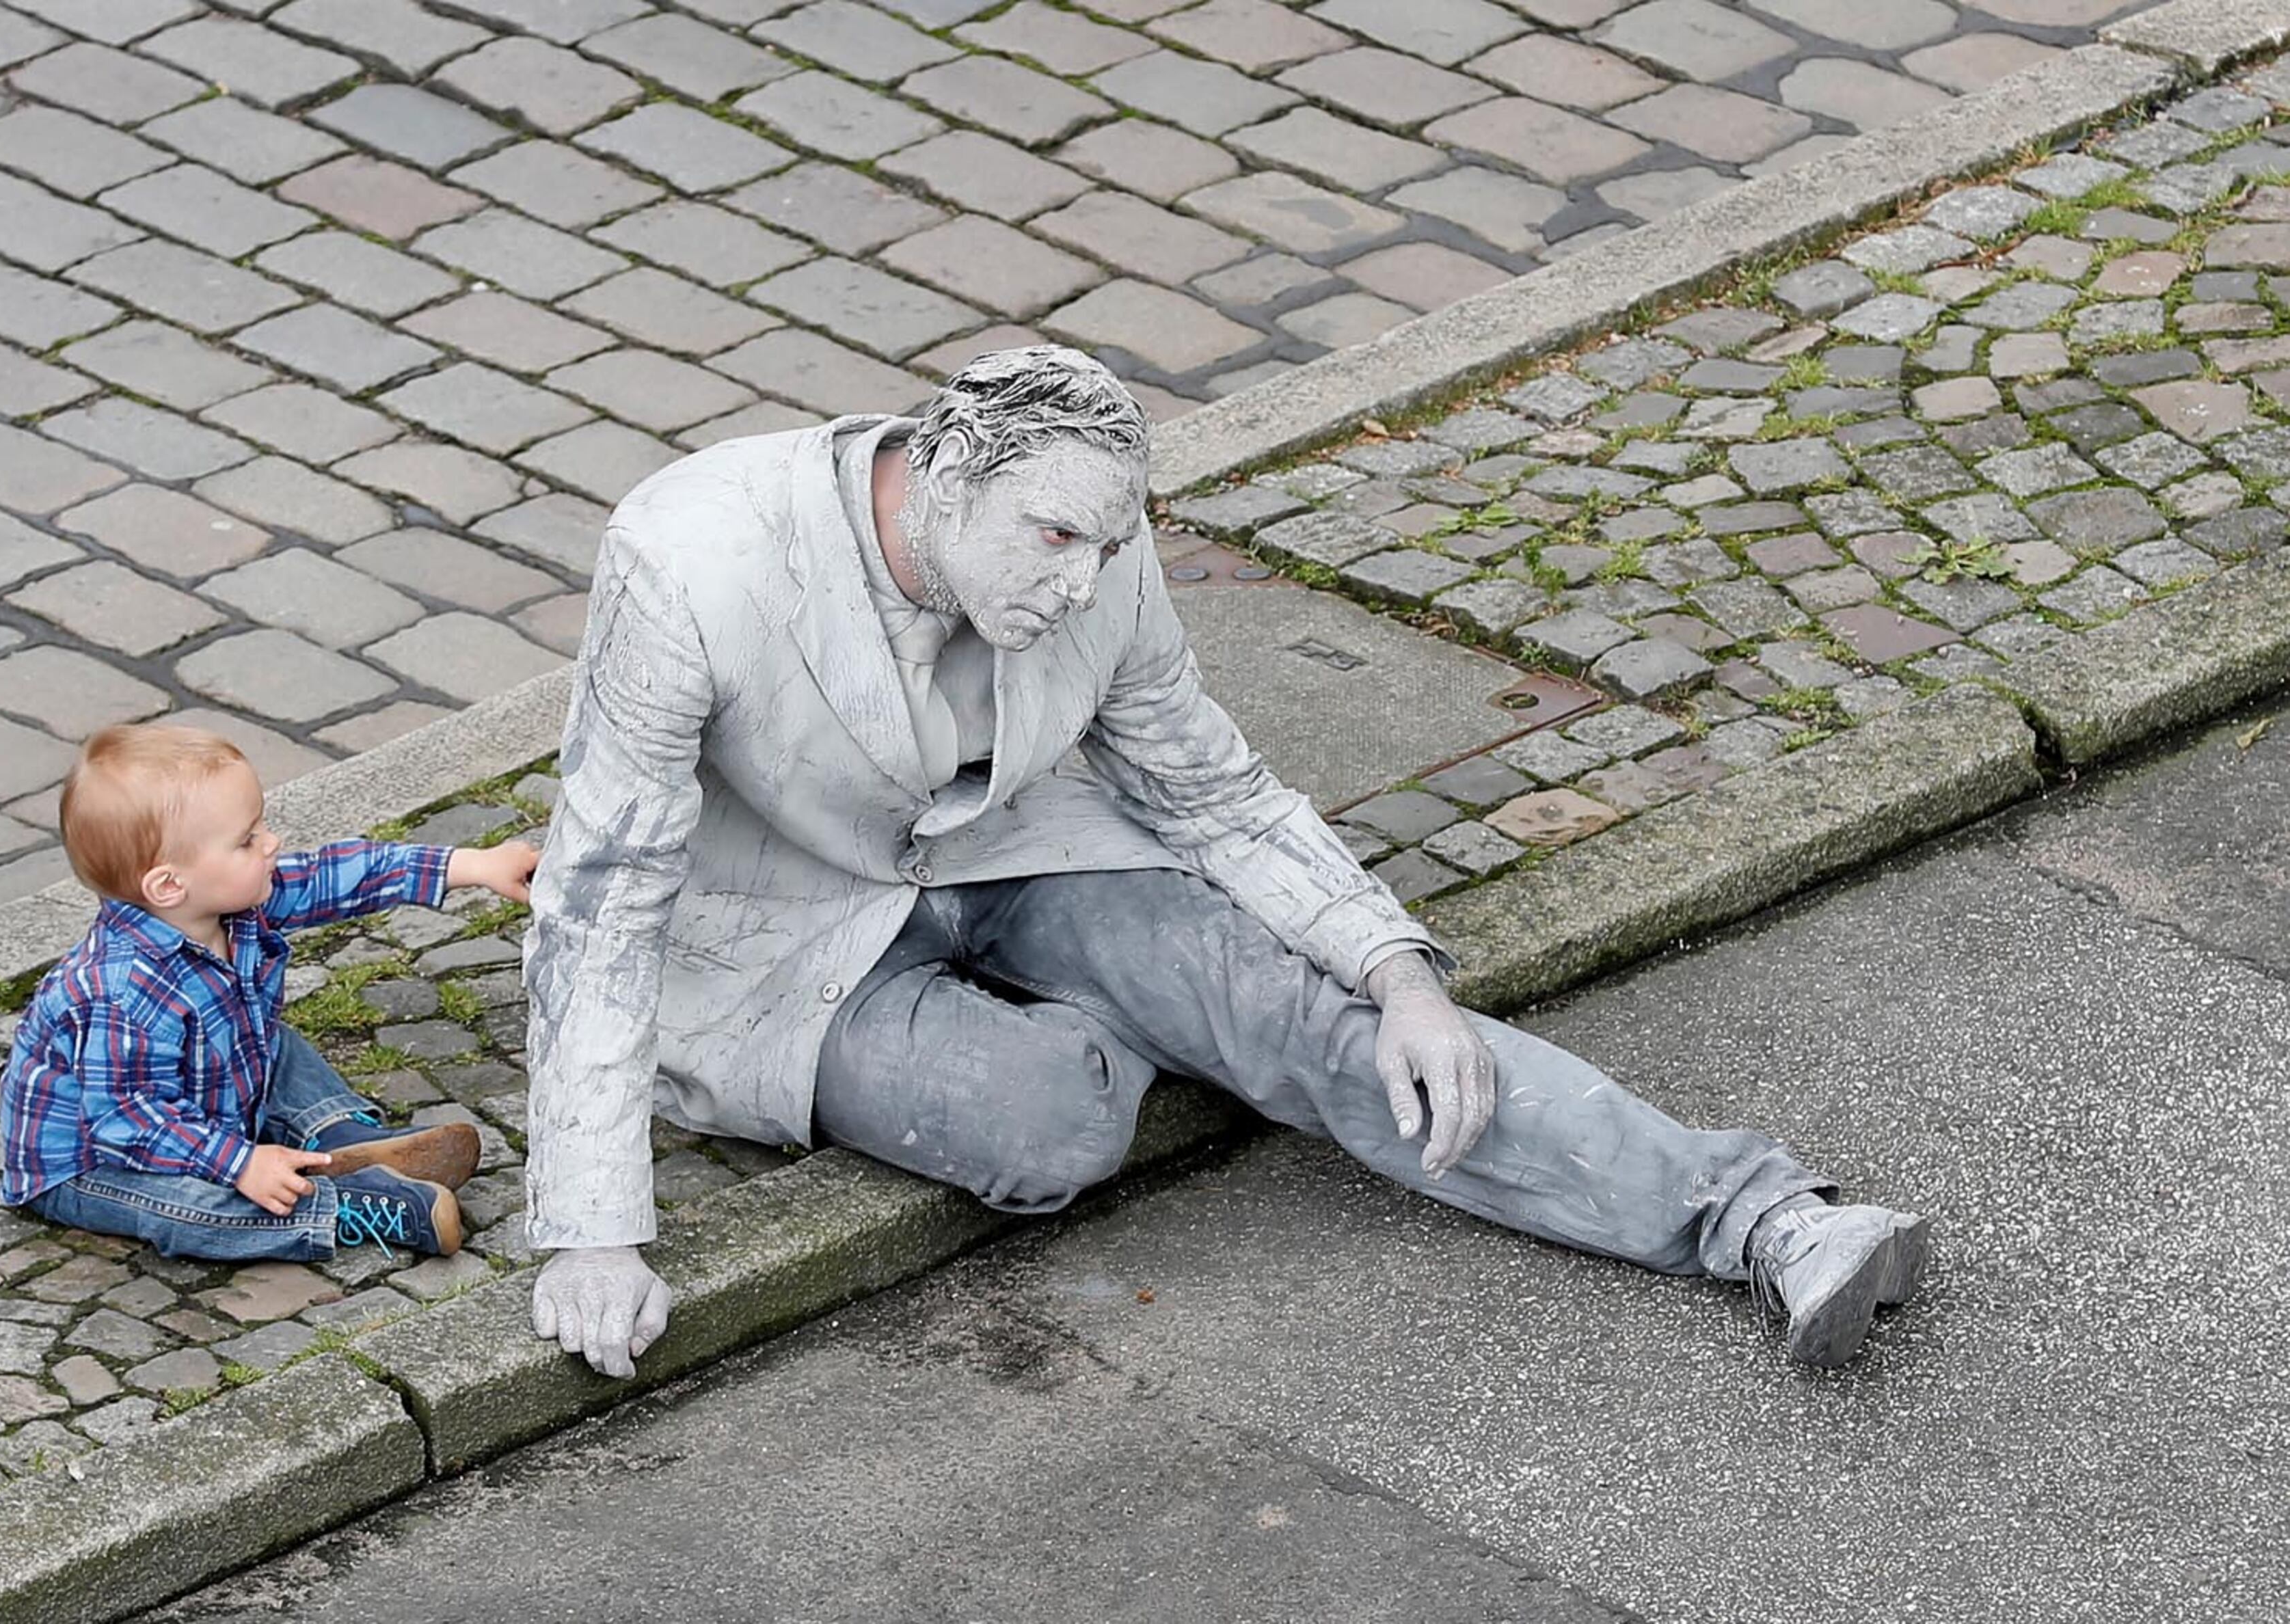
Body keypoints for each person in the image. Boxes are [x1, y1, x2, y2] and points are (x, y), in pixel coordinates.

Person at [520, 347, 1927, 1378]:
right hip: (775, 941)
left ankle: (1764, 1220)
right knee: (1052, 1122)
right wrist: (592, 1227)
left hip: (1012, 854)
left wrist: (1398, 970)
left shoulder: (1095, 552)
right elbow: (601, 895)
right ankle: (1128, 1034)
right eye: (1055, 537)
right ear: (948, 472)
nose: (1080, 581)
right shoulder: (691, 555)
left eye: (1105, 543)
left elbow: (1207, 785)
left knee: (1320, 1021)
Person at [0, 723, 537, 1262]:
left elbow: (340, 876)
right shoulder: (119, 989)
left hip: (202, 1102)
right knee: (188, 1210)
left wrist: (470, 865)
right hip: (96, 1162)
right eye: (247, 839)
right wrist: (238, 1164)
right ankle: (340, 1206)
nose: (271, 843)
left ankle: (335, 1136)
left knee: (271, 1044)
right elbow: (125, 1119)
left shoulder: (234, 901)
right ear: (169, 885)